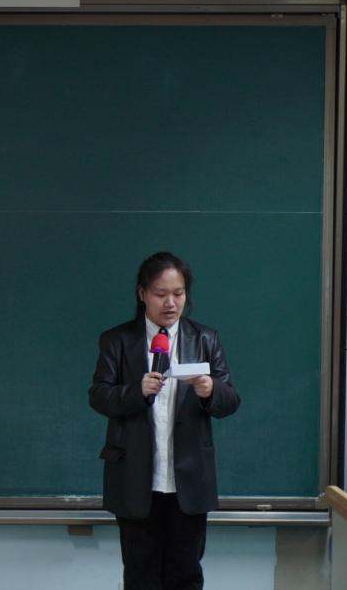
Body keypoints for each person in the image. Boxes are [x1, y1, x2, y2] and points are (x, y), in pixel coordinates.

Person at [89, 251, 240, 590]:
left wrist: (210, 390)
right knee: (140, 576)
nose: (171, 303)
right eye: (160, 294)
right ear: (142, 294)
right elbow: (98, 395)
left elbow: (230, 401)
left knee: (185, 575)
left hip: (188, 481)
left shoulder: (205, 339)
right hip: (135, 480)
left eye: (178, 293)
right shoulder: (117, 340)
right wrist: (135, 392)